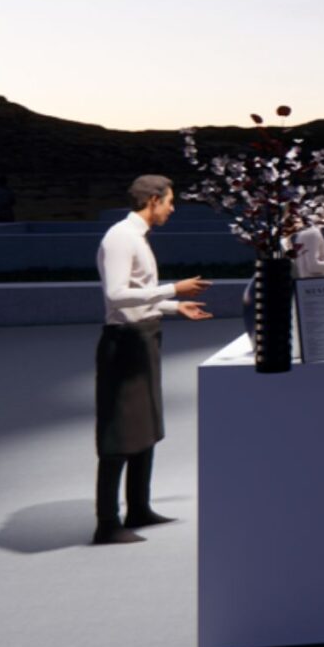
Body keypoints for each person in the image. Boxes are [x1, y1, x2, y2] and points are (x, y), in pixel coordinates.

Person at [91, 176, 211, 544]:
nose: (172, 208)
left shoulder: (137, 238)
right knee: (119, 433)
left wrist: (175, 306)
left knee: (145, 427)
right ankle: (107, 523)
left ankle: (138, 507)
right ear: (154, 200)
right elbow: (116, 295)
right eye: (170, 201)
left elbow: (140, 296)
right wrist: (174, 288)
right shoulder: (120, 238)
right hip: (124, 345)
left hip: (143, 340)